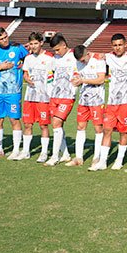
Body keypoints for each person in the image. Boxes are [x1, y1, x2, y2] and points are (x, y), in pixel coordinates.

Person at [94, 34, 127, 171]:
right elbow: (90, 56)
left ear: (125, 45)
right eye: (115, 45)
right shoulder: (109, 57)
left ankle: (119, 160)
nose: (117, 48)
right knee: (107, 130)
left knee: (123, 133)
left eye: (120, 45)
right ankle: (103, 161)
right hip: (111, 102)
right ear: (112, 46)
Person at [0, 27, 28, 159]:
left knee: (14, 119)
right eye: (1, 39)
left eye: (5, 37)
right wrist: (0, 67)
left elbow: (30, 60)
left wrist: (23, 66)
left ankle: (16, 150)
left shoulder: (17, 48)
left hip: (14, 92)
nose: (4, 40)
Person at [69, 45, 107, 167]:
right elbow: (76, 76)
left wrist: (83, 80)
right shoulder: (78, 62)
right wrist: (75, 80)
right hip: (84, 99)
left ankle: (97, 157)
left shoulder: (98, 60)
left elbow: (101, 79)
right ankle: (78, 157)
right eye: (79, 60)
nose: (81, 62)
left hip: (97, 100)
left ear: (87, 54)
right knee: (80, 126)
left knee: (98, 128)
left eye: (83, 59)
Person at [21, 32, 55, 162]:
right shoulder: (28, 58)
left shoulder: (50, 58)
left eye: (36, 43)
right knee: (28, 124)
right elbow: (25, 73)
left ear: (41, 43)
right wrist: (27, 78)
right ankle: (25, 151)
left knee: (43, 126)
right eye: (31, 44)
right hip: (30, 96)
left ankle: (44, 153)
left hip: (44, 97)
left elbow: (54, 75)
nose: (33, 46)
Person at [44, 33, 75, 166]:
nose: (56, 52)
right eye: (54, 50)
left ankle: (55, 156)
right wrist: (50, 90)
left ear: (64, 45)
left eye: (58, 49)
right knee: (56, 125)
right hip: (54, 96)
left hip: (67, 97)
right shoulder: (54, 59)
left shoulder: (74, 56)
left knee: (56, 123)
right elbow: (50, 74)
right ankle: (66, 154)